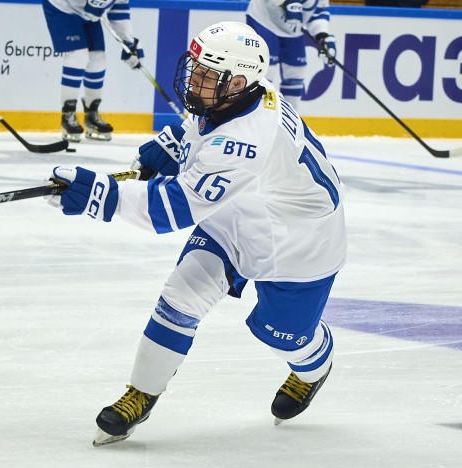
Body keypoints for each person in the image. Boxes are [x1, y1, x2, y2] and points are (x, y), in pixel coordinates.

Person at [47, 21, 346, 446]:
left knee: (284, 335)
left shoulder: (246, 140)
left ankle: (315, 364)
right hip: (237, 214)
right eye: (196, 68)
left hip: (298, 242)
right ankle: (141, 392)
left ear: (238, 81)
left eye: (207, 75)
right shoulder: (236, 96)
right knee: (179, 297)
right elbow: (200, 125)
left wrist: (100, 194)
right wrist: (169, 146)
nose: (194, 79)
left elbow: (169, 210)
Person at [42, 0, 143, 142]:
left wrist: (129, 43)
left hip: (87, 13)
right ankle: (68, 114)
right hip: (62, 6)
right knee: (78, 55)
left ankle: (91, 114)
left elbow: (119, 10)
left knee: (98, 59)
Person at [245, 0, 336, 110]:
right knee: (265, 72)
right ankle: (258, 114)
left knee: (296, 73)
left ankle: (290, 119)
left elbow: (317, 13)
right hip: (264, 20)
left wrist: (322, 35)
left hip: (293, 29)